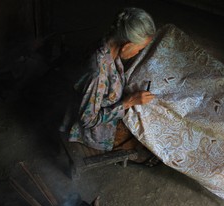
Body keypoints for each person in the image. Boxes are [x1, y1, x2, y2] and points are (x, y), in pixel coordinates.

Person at [60, 7, 158, 163]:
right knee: (148, 141)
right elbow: (87, 120)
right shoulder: (97, 74)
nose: (138, 53)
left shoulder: (108, 43)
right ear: (127, 45)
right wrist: (128, 103)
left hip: (101, 104)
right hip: (91, 131)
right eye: (139, 49)